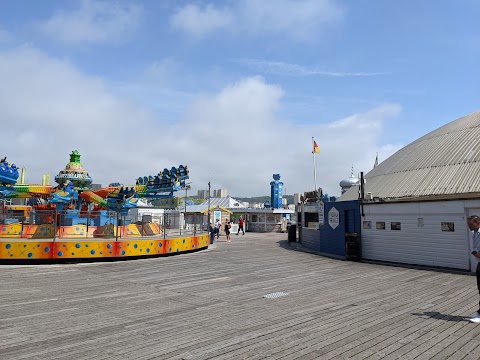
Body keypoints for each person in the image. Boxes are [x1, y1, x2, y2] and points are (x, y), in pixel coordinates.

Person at [468, 215, 480, 323]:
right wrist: (474, 252)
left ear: (478, 223)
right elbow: (475, 248)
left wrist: (476, 253)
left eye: (471, 224)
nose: (469, 226)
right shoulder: (474, 233)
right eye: (468, 224)